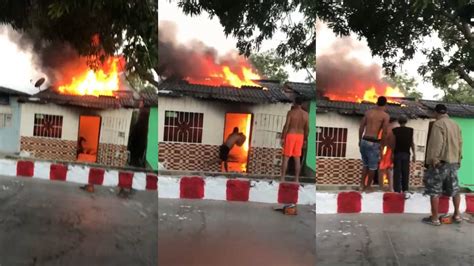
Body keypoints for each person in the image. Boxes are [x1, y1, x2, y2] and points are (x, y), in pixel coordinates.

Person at [423, 104, 463, 226]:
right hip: (454, 162)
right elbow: (460, 142)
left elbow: (437, 143)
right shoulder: (455, 124)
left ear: (436, 113)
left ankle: (434, 218)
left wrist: (434, 159)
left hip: (441, 163)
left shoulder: (438, 124)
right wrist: (459, 159)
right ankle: (457, 215)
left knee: (434, 190)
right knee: (455, 189)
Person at [358, 96, 390, 192]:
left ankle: (361, 185)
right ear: (385, 104)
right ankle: (368, 187)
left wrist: (360, 140)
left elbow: (361, 127)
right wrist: (382, 146)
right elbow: (384, 132)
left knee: (365, 165)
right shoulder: (385, 116)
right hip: (373, 142)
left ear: (377, 102)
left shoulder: (368, 113)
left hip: (364, 141)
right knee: (372, 167)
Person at [281, 97, 309, 183]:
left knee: (286, 157)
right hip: (300, 136)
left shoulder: (291, 113)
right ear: (301, 104)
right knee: (297, 158)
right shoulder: (306, 114)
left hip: (291, 134)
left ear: (295, 103)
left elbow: (286, 126)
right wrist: (305, 139)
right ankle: (296, 179)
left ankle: (282, 178)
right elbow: (307, 128)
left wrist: (283, 137)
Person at [392, 115, 416, 196]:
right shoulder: (410, 130)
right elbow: (412, 143)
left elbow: (393, 143)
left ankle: (397, 190)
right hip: (406, 153)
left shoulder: (395, 130)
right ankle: (405, 189)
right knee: (405, 171)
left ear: (399, 122)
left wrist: (392, 153)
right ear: (406, 121)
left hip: (397, 153)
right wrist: (414, 154)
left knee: (397, 172)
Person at [378, 117, 397, 192]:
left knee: (381, 169)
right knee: (390, 169)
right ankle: (390, 187)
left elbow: (382, 142)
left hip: (386, 150)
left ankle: (382, 187)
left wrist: (381, 153)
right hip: (391, 151)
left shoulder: (385, 129)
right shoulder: (394, 129)